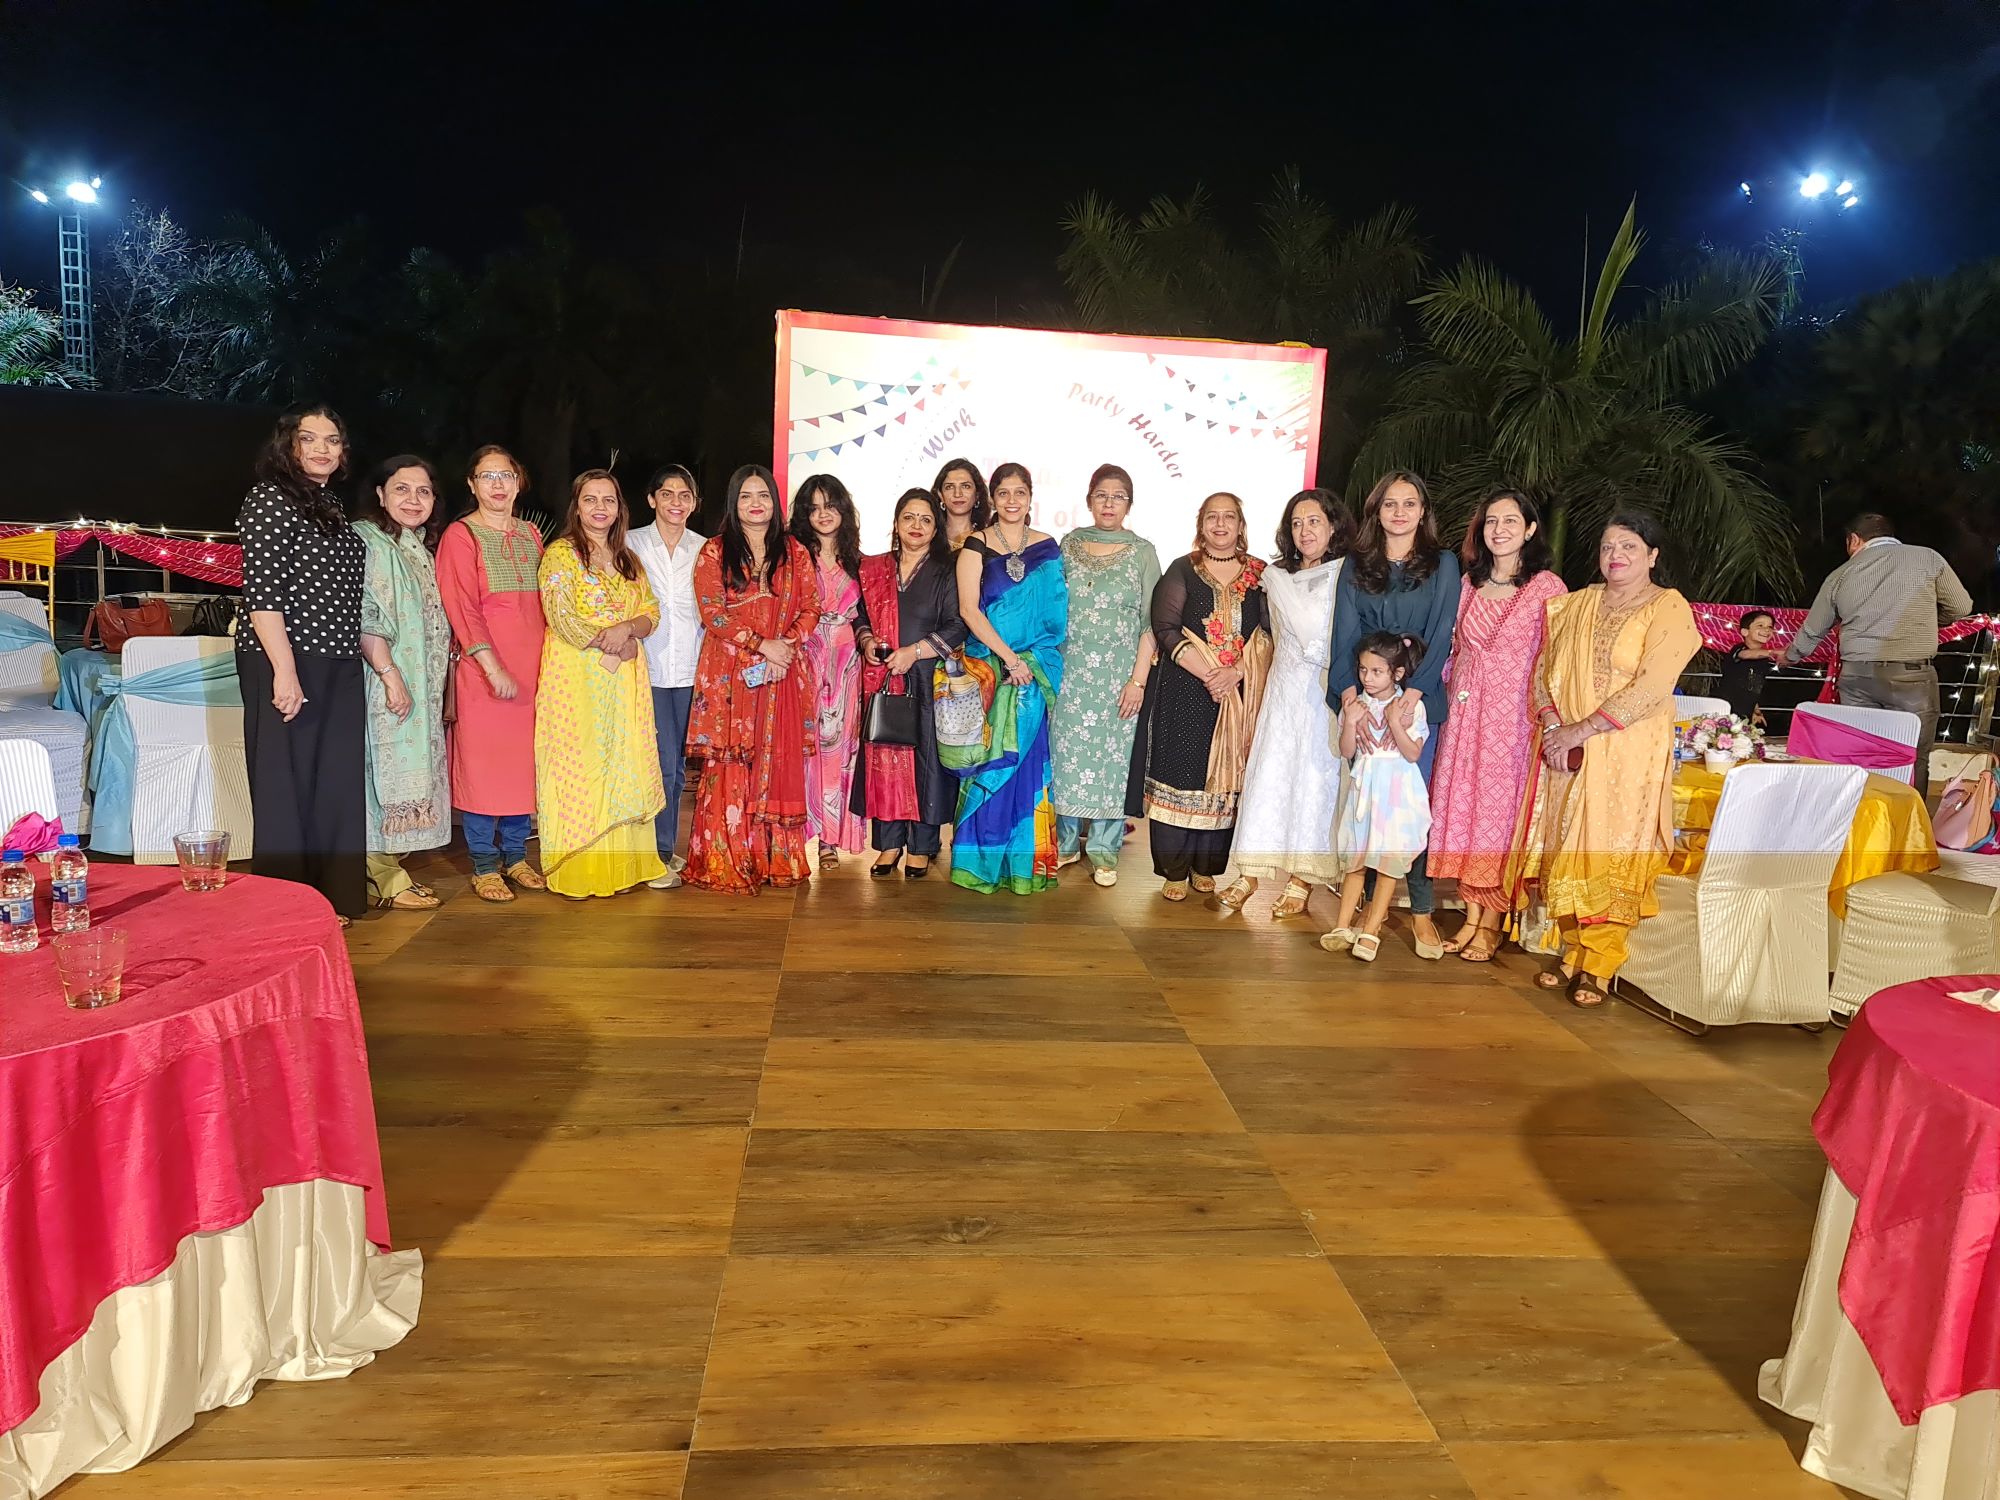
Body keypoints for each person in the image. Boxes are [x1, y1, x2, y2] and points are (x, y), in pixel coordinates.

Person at [1508, 511, 1702, 1007]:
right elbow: (1543, 673)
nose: (1616, 555)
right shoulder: (1575, 605)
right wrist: (1555, 726)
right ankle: (1573, 950)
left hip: (1627, 750)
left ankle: (1599, 964)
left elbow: (1654, 685)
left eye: (1629, 546)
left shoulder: (1667, 607)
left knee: (1612, 847)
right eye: (1608, 546)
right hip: (1567, 751)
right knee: (1566, 845)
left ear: (1652, 556)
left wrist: (1583, 729)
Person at [236, 405, 368, 921]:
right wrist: (285, 671)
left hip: (338, 657)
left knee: (334, 781)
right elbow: (263, 594)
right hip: (286, 656)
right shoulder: (269, 498)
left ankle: (331, 899)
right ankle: (286, 908)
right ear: (287, 445)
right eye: (308, 438)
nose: (321, 449)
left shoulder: (328, 503)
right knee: (285, 785)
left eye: (332, 440)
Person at [1426, 490, 1568, 962]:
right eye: (1491, 521)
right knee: (1466, 811)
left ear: (1530, 529)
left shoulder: (1548, 588)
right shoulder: (1469, 583)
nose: (1499, 529)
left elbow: (1557, 659)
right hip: (1466, 716)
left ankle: (1491, 923)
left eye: (1510, 521)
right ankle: (1470, 918)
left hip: (1514, 723)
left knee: (1500, 818)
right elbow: (1453, 648)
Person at [1325, 471, 1460, 957]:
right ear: (1376, 512)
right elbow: (1343, 632)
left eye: (1409, 503)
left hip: (1416, 702)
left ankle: (1421, 913)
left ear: (1423, 512)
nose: (1399, 513)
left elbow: (1442, 631)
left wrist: (1414, 693)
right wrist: (1350, 699)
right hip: (1366, 699)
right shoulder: (1356, 563)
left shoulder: (1443, 563)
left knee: (1409, 815)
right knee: (1366, 813)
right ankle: (1363, 915)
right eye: (1389, 504)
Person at [1126, 492, 1272, 902]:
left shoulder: (1261, 574)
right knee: (1181, 774)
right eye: (1212, 517)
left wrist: (1234, 673)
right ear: (1201, 524)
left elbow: (1268, 632)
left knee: (1224, 779)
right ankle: (1174, 870)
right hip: (1185, 689)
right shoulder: (1183, 569)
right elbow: (1165, 627)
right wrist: (1211, 674)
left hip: (1238, 694)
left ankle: (1206, 867)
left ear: (1241, 525)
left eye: (1229, 517)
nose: (1220, 525)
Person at [685, 464, 821, 894]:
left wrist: (785, 647)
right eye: (746, 496)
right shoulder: (714, 551)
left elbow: (812, 607)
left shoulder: (795, 551)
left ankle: (772, 860)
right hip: (730, 677)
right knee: (730, 765)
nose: (755, 503)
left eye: (763, 495)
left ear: (775, 503)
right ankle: (729, 861)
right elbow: (712, 612)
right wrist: (763, 645)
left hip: (781, 675)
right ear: (734, 503)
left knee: (774, 759)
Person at [1223, 489, 1355, 919]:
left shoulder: (1347, 574)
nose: (1305, 531)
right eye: (1297, 523)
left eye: (1314, 521)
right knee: (1270, 775)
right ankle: (1249, 873)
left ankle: (1302, 880)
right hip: (1283, 691)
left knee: (1315, 781)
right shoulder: (1276, 577)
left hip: (1324, 691)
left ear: (1333, 525)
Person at [534, 470, 665, 899]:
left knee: (624, 764)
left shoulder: (628, 559)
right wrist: (613, 641)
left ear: (619, 508)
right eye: (590, 499)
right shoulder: (561, 555)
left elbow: (651, 610)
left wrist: (629, 628)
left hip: (624, 684)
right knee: (581, 766)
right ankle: (581, 872)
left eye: (608, 500)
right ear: (577, 507)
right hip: (577, 681)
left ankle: (625, 867)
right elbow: (561, 616)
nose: (600, 508)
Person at [1783, 512, 1972, 799]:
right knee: (1912, 756)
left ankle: (1863, 814)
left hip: (1856, 676)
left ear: (1854, 540)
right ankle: (1906, 820)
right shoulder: (1927, 558)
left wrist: (1790, 656)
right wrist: (1930, 621)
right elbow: (1961, 607)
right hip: (1910, 677)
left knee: (1860, 753)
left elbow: (1813, 630)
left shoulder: (1840, 574)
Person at [947, 461, 1066, 894]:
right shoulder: (975, 545)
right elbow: (969, 610)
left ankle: (1023, 867)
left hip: (1034, 673)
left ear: (1031, 497)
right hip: (994, 673)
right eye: (1003, 493)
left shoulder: (1047, 547)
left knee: (1028, 767)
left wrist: (1029, 662)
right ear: (992, 498)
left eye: (1020, 493)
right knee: (989, 763)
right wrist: (1010, 660)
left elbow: (1056, 613)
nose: (1012, 501)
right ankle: (980, 864)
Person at [436, 445, 548, 902]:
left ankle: (516, 857)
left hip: (534, 672)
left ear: (519, 483)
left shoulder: (530, 535)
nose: (498, 484)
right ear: (472, 484)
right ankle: (484, 865)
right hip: (485, 675)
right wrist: (490, 664)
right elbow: (462, 607)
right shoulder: (461, 535)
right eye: (487, 476)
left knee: (523, 769)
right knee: (484, 770)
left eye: (506, 475)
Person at [1050, 464, 1160, 887]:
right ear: (1089, 500)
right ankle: (1064, 844)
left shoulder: (1143, 551)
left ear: (1129, 504)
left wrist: (1138, 681)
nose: (1109, 503)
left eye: (1118, 496)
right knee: (1065, 759)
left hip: (1118, 678)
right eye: (1102, 495)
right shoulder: (1069, 545)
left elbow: (1151, 623)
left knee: (1111, 763)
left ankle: (1104, 850)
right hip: (1070, 674)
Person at [354, 454, 452, 912]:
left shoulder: (417, 548)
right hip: (384, 676)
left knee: (400, 775)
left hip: (420, 682)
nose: (413, 500)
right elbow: (366, 611)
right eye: (402, 489)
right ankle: (385, 879)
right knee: (379, 772)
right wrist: (390, 676)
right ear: (380, 494)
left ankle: (387, 871)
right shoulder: (367, 540)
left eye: (423, 491)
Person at [853, 488, 968, 877]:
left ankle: (922, 845)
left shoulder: (946, 570)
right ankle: (888, 844)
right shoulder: (875, 568)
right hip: (885, 677)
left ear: (936, 528)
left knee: (926, 762)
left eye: (926, 519)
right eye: (909, 517)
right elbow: (859, 615)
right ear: (896, 523)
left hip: (928, 678)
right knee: (885, 755)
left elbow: (958, 625)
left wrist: (915, 652)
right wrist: (867, 640)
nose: (916, 526)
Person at [1320, 632, 1432, 962]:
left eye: (1377, 672)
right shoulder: (1356, 705)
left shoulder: (1411, 707)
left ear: (1397, 673)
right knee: (1355, 860)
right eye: (1363, 670)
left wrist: (1395, 722)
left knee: (1387, 864)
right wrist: (1350, 723)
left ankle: (1371, 930)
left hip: (1396, 791)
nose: (1367, 678)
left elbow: (1413, 753)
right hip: (1364, 789)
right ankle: (1342, 925)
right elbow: (1347, 751)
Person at [627, 463, 704, 888]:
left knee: (676, 767)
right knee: (656, 763)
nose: (676, 502)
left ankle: (664, 847)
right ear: (652, 499)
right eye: (668, 494)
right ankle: (651, 852)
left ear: (694, 503)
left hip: (691, 671)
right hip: (644, 670)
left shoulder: (704, 548)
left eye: (685, 495)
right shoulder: (630, 543)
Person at [790, 473, 869, 866]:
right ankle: (794, 832)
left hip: (846, 667)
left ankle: (829, 840)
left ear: (843, 509)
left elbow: (866, 617)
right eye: (814, 508)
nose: (823, 514)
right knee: (801, 745)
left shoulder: (860, 562)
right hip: (802, 660)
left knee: (839, 750)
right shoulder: (792, 557)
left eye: (830, 505)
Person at [1714, 608, 1778, 724]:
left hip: (1746, 709)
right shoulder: (1739, 649)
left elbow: (1755, 685)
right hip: (1727, 705)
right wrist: (1774, 652)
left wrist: (1756, 709)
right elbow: (1746, 655)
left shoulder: (1763, 659)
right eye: (1760, 625)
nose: (1766, 630)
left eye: (1770, 627)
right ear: (1745, 631)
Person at [933, 456, 993, 550]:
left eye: (965, 486)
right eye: (949, 487)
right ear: (940, 495)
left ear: (977, 494)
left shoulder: (989, 539)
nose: (957, 494)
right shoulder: (928, 537)